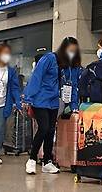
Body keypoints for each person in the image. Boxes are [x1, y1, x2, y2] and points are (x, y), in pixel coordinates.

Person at [23, 37, 81, 175]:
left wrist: (74, 106)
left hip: (54, 102)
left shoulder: (69, 67)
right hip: (40, 100)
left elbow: (72, 86)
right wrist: (28, 97)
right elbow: (37, 76)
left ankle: (47, 162)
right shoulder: (49, 58)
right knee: (43, 128)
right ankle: (31, 159)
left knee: (50, 131)